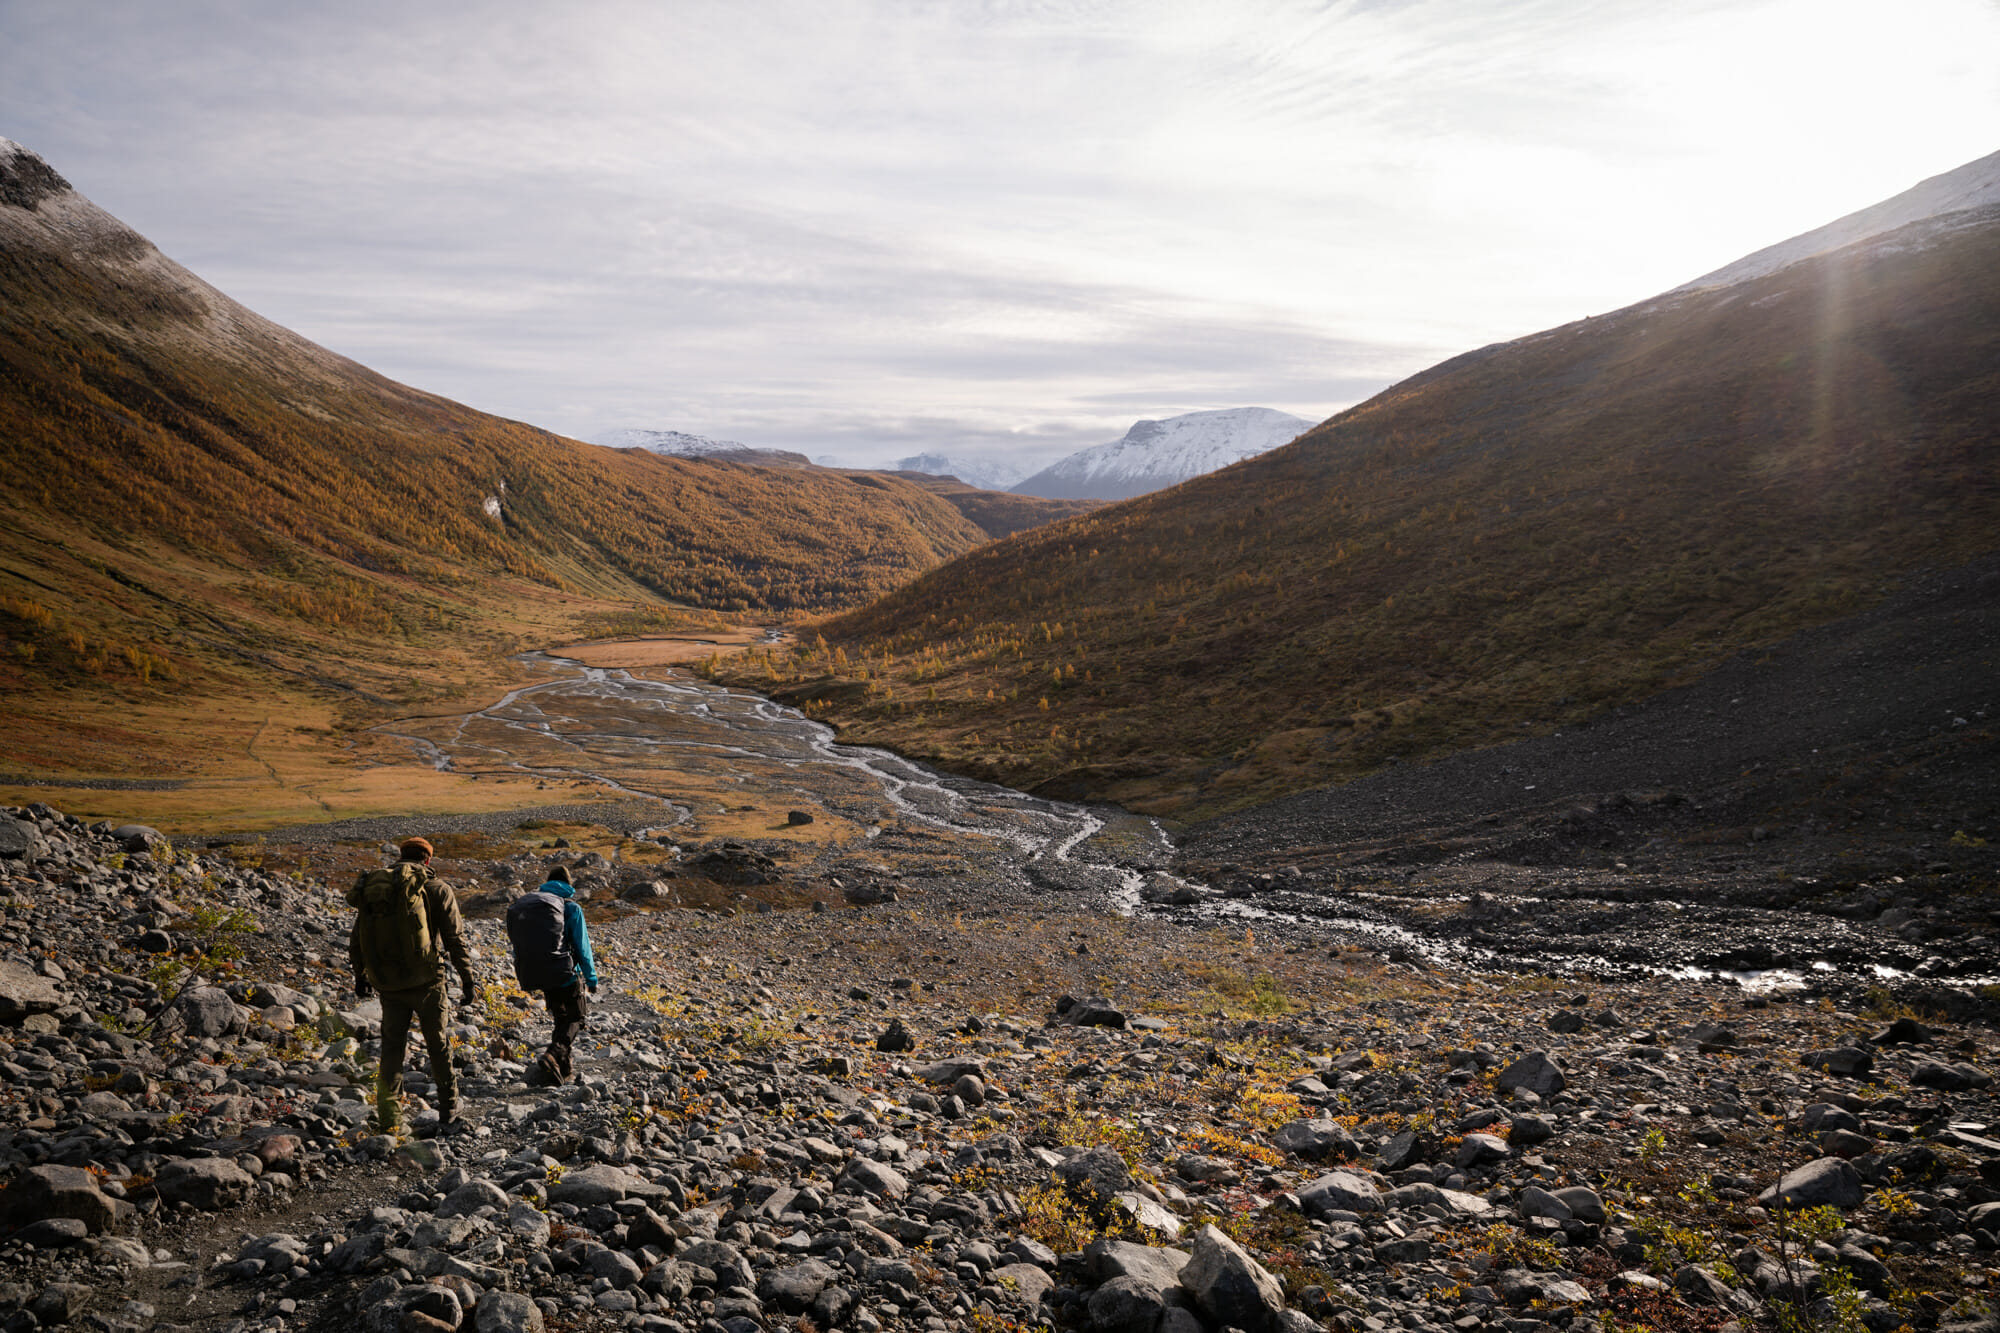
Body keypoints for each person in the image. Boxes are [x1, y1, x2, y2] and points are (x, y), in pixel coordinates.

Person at [346, 837, 475, 1135]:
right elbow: (455, 939)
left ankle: (389, 1117)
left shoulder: (376, 887)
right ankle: (449, 1109)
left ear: (400, 856)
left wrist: (360, 976)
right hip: (427, 981)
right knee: (437, 1044)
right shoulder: (436, 888)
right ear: (427, 860)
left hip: (388, 983)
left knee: (392, 1048)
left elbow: (358, 937)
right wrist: (468, 979)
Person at [504, 865, 598, 1084]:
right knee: (576, 1018)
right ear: (568, 884)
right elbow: (582, 946)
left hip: (539, 971)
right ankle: (553, 1054)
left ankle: (562, 1071)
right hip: (565, 972)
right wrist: (591, 977)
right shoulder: (570, 907)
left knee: (561, 1019)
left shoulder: (534, 906)